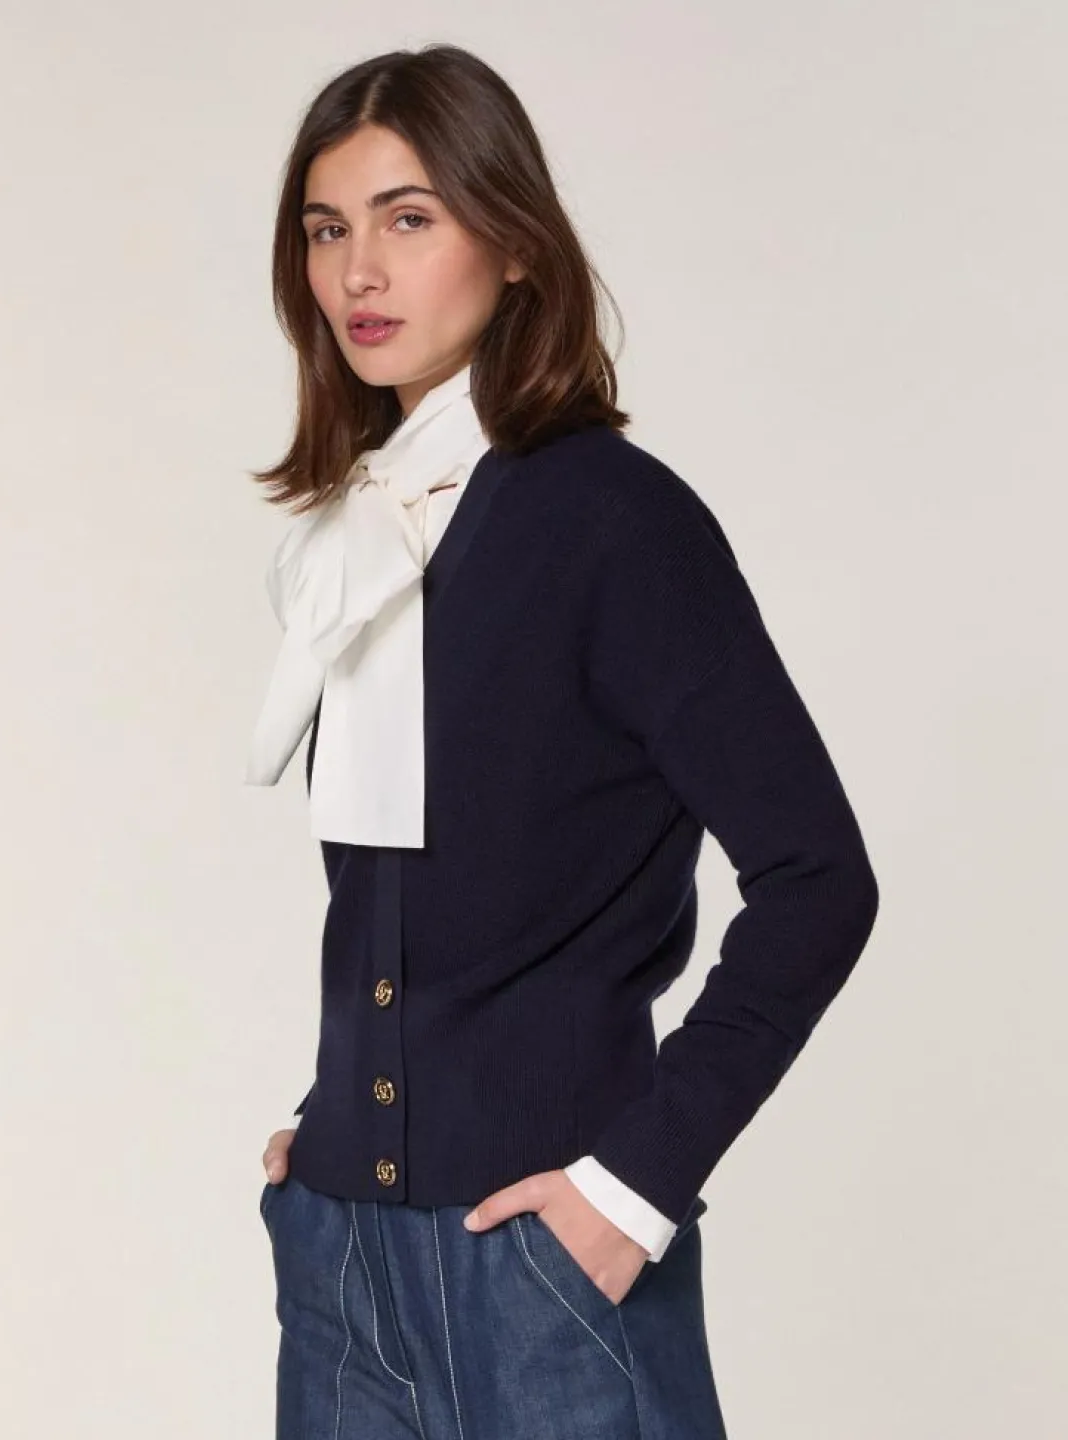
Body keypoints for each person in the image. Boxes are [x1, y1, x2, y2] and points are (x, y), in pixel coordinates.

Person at [243, 42, 879, 1440]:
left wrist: (634, 1183)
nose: (360, 272)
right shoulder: (359, 543)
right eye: (327, 230)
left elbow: (820, 880)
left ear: (515, 243)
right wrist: (335, 1130)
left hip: (543, 1264)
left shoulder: (616, 525)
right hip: (342, 1257)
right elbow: (411, 912)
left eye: (410, 219)